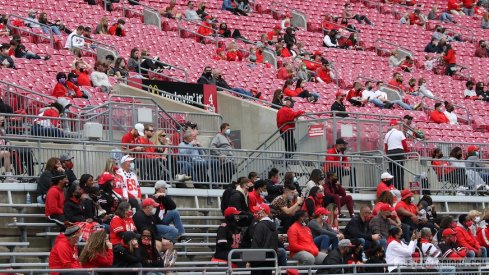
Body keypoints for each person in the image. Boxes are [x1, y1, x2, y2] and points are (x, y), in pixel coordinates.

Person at [250, 203, 280, 275]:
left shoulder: (260, 225)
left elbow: (256, 243)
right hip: (270, 258)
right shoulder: (273, 226)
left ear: (263, 213)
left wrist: (251, 260)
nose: (255, 213)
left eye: (257, 211)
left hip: (259, 259)